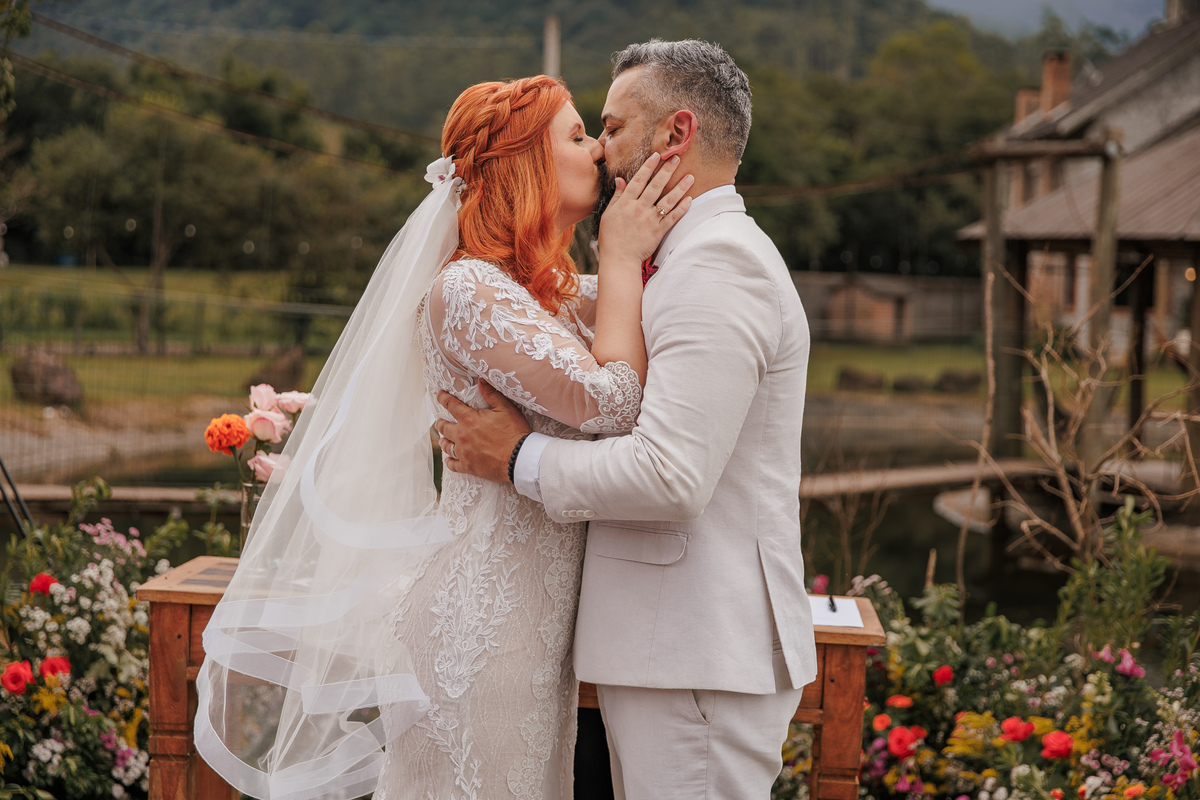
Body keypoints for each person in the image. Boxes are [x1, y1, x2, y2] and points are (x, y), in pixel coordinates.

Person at [194, 75, 691, 800]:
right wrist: (617, 258)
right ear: (525, 163)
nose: (597, 152)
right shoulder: (467, 291)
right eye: (578, 136)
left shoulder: (548, 292)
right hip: (475, 624)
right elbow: (614, 404)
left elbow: (640, 324)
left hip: (533, 628)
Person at [436, 40, 818, 800]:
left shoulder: (718, 264)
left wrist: (518, 459)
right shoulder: (670, 262)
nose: (601, 149)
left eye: (609, 127)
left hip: (695, 655)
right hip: (662, 653)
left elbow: (669, 477)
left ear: (676, 135)